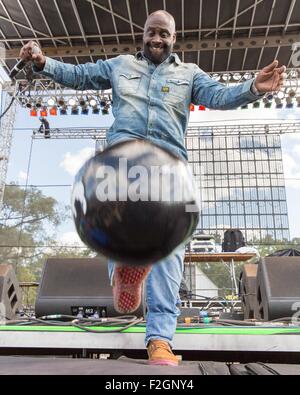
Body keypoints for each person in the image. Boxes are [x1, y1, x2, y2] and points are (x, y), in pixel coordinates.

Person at [20, 10, 286, 366]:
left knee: (171, 246)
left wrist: (253, 87)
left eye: (163, 34)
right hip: (123, 159)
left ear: (174, 39)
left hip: (168, 166)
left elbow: (219, 95)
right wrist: (43, 62)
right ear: (142, 35)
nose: (156, 39)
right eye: (150, 33)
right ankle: (125, 274)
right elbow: (80, 75)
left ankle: (159, 339)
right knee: (110, 219)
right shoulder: (119, 65)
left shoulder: (189, 73)